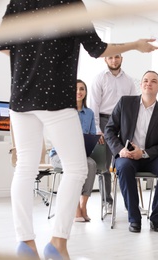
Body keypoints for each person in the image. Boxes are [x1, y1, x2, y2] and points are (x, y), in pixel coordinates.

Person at [0, 1, 158, 259]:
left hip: (21, 97)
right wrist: (136, 45)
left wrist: (32, 58)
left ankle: (25, 243)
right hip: (55, 99)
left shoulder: (18, 1)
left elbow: (3, 45)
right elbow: (98, 49)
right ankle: (57, 244)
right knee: (76, 168)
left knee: (25, 166)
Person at [104, 71, 158, 233]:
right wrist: (120, 150)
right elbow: (109, 130)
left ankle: (157, 219)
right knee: (124, 167)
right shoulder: (125, 103)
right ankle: (134, 218)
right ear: (141, 84)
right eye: (145, 80)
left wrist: (143, 153)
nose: (148, 83)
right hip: (127, 155)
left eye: (153, 81)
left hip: (152, 156)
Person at [89, 54, 137, 214]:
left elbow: (134, 104)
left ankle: (130, 203)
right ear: (105, 60)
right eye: (110, 58)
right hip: (104, 122)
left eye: (117, 57)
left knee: (125, 163)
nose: (114, 60)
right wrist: (97, 129)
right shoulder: (99, 78)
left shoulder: (129, 80)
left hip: (123, 123)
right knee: (104, 166)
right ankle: (107, 202)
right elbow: (94, 104)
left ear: (122, 58)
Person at [49, 79, 97, 223]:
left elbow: (91, 135)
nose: (78, 92)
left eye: (82, 89)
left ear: (85, 92)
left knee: (92, 164)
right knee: (75, 167)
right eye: (75, 89)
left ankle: (83, 205)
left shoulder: (89, 113)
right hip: (60, 155)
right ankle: (75, 207)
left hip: (80, 155)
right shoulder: (63, 111)